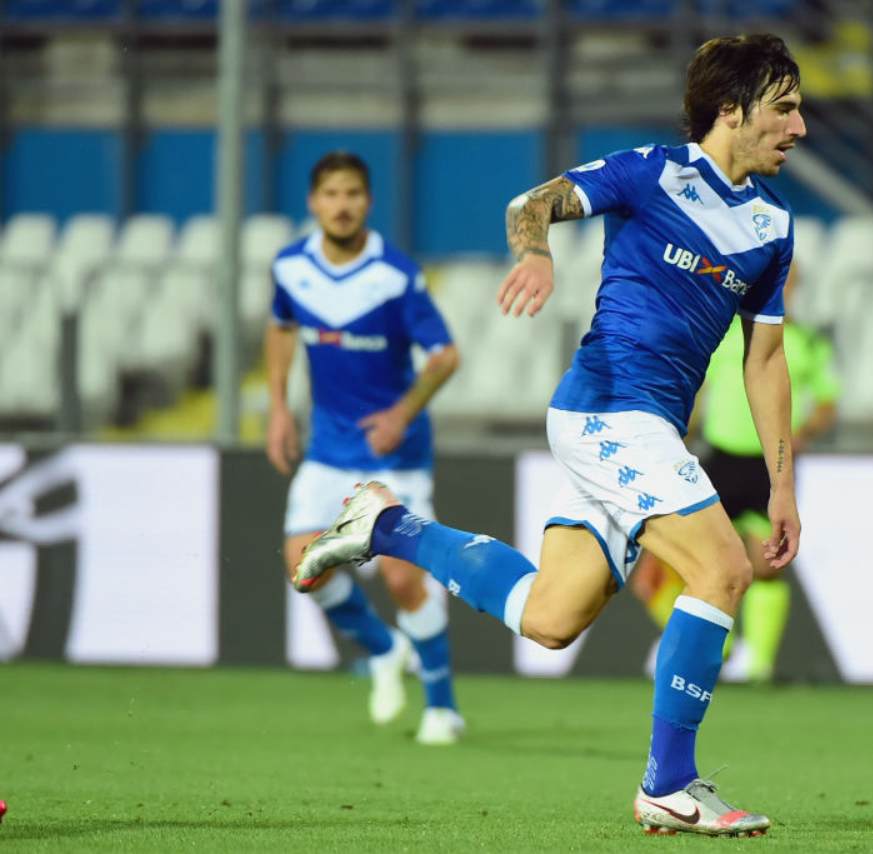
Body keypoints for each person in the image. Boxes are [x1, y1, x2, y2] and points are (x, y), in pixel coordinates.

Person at [293, 34, 806, 836]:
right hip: (607, 410)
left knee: (550, 618)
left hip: (647, 432)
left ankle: (387, 526)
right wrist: (536, 256)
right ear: (731, 113)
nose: (800, 127)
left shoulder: (773, 224)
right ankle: (669, 783)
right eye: (785, 108)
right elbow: (527, 204)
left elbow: (766, 361)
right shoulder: (651, 172)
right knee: (722, 570)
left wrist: (782, 485)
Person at [265, 151, 465, 745]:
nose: (342, 205)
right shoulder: (290, 266)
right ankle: (382, 650)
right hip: (328, 447)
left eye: (352, 194)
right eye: (331, 194)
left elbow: (445, 354)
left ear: (368, 202)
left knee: (404, 581)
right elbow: (279, 329)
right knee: (304, 565)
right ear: (313, 202)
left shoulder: (395, 274)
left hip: (394, 454)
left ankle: (442, 707)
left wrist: (403, 413)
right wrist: (278, 407)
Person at [631, 261, 839, 683]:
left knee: (765, 565)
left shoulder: (807, 343)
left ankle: (759, 665)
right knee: (659, 572)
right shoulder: (723, 336)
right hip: (718, 461)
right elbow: (698, 395)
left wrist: (804, 431)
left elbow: (828, 403)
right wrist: (671, 439)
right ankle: (719, 645)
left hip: (768, 467)